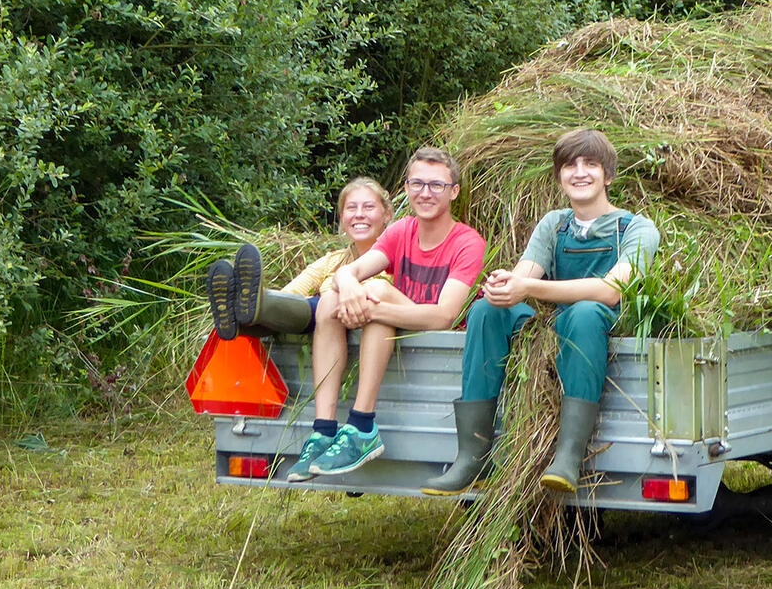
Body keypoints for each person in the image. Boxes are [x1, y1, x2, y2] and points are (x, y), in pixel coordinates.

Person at [422, 128, 659, 497]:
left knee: (585, 313)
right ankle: (472, 454)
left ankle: (568, 455)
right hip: (557, 323)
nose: (579, 172)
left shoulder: (636, 228)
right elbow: (526, 274)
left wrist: (530, 288)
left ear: (608, 176)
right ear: (559, 176)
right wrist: (506, 285)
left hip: (603, 327)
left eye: (590, 164)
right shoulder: (554, 223)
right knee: (487, 311)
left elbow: (611, 291)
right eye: (570, 165)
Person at [289, 146, 485, 482]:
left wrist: (372, 304)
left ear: (453, 192)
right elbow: (349, 271)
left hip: (437, 337)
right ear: (406, 188)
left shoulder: (467, 242)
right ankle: (323, 431)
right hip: (394, 328)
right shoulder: (400, 231)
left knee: (376, 291)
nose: (425, 193)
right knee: (330, 299)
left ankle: (363, 425)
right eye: (417, 184)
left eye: (437, 185)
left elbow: (444, 317)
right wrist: (349, 287)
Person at [205, 177, 394, 340]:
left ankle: (245, 316)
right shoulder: (331, 261)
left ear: (387, 215)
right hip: (325, 331)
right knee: (289, 307)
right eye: (351, 208)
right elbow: (292, 293)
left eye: (368, 207)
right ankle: (243, 314)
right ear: (343, 217)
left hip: (361, 325)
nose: (359, 214)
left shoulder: (397, 259)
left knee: (323, 303)